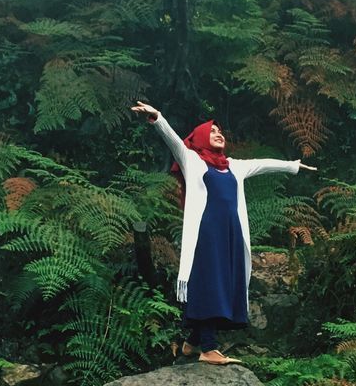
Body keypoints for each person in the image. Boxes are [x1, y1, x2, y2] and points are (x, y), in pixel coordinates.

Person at [131, 101, 316, 365]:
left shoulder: (232, 166)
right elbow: (174, 142)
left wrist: (294, 166)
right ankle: (208, 349)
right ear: (202, 138)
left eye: (221, 132)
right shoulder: (193, 161)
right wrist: (158, 117)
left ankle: (192, 343)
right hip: (206, 235)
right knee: (210, 285)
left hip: (229, 236)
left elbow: (263, 164)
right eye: (213, 131)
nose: (219, 134)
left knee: (222, 284)